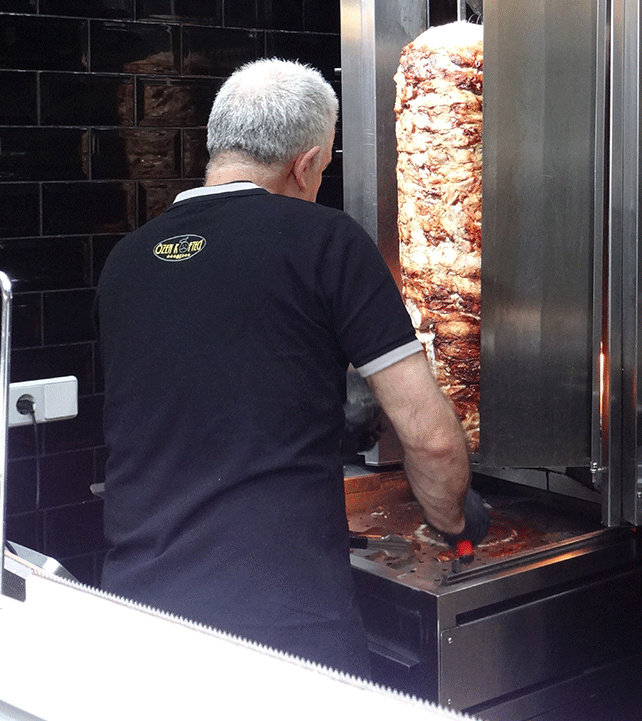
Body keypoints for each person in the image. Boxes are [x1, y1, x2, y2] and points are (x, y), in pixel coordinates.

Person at [96, 58, 488, 680]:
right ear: (305, 165)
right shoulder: (325, 239)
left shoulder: (126, 260)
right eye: (323, 170)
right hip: (281, 622)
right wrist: (455, 523)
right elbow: (432, 439)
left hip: (136, 615)